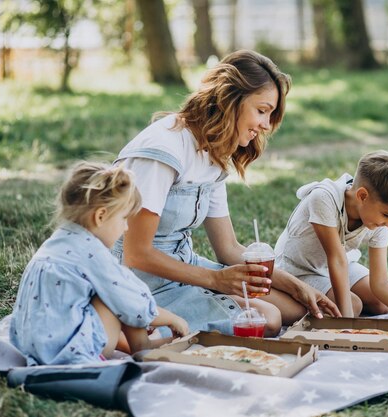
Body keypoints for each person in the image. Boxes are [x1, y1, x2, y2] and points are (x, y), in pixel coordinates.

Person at [113, 50, 339, 337]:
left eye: (270, 114)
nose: (266, 126)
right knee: (266, 319)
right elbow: (136, 254)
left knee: (296, 308)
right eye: (261, 110)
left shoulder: (214, 153)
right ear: (229, 99)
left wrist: (296, 285)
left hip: (182, 267)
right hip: (134, 279)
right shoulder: (163, 150)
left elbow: (229, 249)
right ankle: (128, 332)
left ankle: (165, 325)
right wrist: (215, 280)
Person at [10, 162, 189, 365]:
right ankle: (142, 348)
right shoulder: (91, 252)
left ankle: (143, 346)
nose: (126, 227)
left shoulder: (56, 242)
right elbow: (134, 301)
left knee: (116, 290)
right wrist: (173, 318)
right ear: (101, 216)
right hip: (70, 350)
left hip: (30, 346)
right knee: (122, 292)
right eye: (124, 219)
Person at [274, 150, 388, 322]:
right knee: (353, 306)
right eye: (387, 216)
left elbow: (381, 283)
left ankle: (330, 300)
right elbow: (337, 259)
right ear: (362, 196)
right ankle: (296, 302)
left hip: (336, 265)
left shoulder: (377, 218)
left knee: (382, 303)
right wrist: (347, 325)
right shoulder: (323, 198)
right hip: (299, 270)